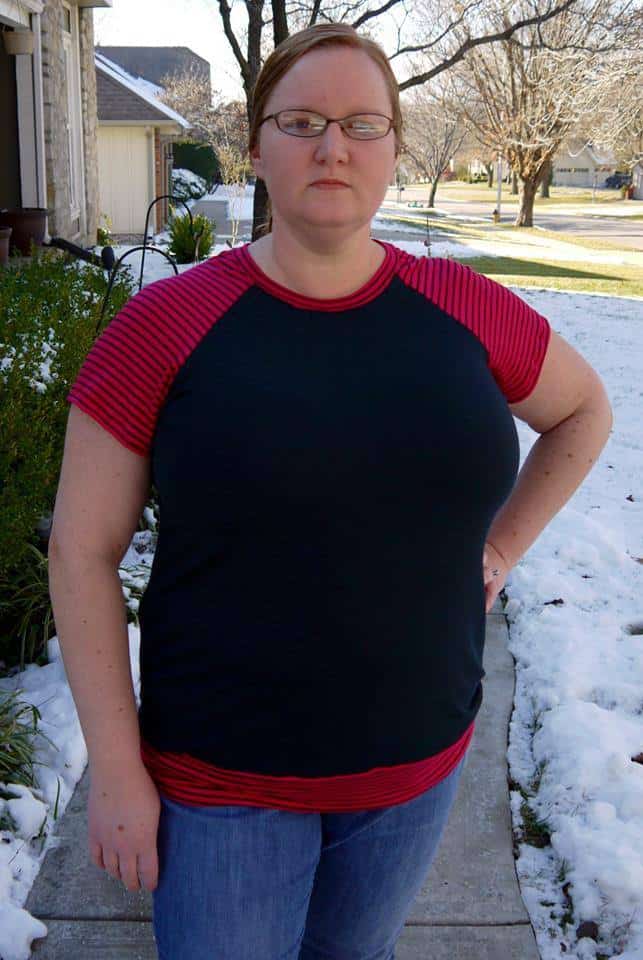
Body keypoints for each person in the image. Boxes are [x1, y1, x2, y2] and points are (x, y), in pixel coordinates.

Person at [48, 22, 613, 960]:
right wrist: (115, 770)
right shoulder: (165, 326)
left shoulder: (463, 308)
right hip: (224, 784)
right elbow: (81, 551)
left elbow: (583, 411)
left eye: (361, 124)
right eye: (301, 121)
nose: (332, 147)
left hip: (415, 769)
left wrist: (501, 549)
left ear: (393, 147)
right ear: (256, 145)